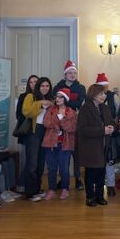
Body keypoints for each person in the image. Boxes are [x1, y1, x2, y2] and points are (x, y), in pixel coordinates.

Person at [77, 84, 116, 207]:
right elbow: (82, 130)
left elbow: (111, 121)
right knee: (90, 173)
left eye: (104, 94)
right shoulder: (85, 109)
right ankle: (90, 197)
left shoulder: (104, 107)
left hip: (103, 145)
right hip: (90, 146)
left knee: (101, 172)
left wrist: (112, 127)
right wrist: (102, 130)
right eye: (101, 94)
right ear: (93, 95)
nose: (104, 96)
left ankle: (99, 196)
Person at [52, 60, 86, 190]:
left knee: (76, 152)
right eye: (70, 73)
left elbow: (79, 104)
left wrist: (64, 102)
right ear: (65, 75)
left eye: (74, 73)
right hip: (60, 123)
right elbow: (56, 103)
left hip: (75, 122)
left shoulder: (81, 88)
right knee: (62, 152)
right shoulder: (57, 87)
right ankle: (63, 179)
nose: (72, 75)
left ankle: (78, 179)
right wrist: (70, 102)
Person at [41, 88, 78, 201]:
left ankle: (65, 189)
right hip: (50, 143)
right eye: (56, 97)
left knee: (64, 169)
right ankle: (51, 189)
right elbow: (46, 123)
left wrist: (62, 120)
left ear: (65, 99)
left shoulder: (71, 112)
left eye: (60, 97)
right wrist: (58, 127)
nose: (57, 99)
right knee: (51, 168)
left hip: (65, 144)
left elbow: (72, 128)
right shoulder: (51, 110)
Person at [22, 77, 54, 201]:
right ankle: (30, 192)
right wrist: (40, 103)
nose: (45, 88)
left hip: (46, 132)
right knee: (32, 163)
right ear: (38, 87)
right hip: (33, 132)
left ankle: (37, 188)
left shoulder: (51, 99)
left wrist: (51, 105)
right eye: (42, 86)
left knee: (41, 163)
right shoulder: (31, 97)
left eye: (47, 86)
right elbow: (26, 112)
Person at [95, 73, 120, 197]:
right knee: (97, 161)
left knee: (109, 161)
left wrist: (113, 126)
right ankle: (97, 185)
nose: (104, 89)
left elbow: (118, 112)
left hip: (110, 134)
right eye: (102, 87)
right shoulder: (90, 100)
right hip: (96, 135)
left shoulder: (113, 96)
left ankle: (111, 185)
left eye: (106, 86)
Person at [15, 74, 38, 192]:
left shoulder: (41, 96)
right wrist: (31, 114)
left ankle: (32, 186)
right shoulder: (23, 96)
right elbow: (18, 114)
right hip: (26, 132)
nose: (33, 84)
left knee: (35, 162)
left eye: (36, 82)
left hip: (38, 133)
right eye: (31, 82)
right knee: (26, 160)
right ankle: (21, 185)